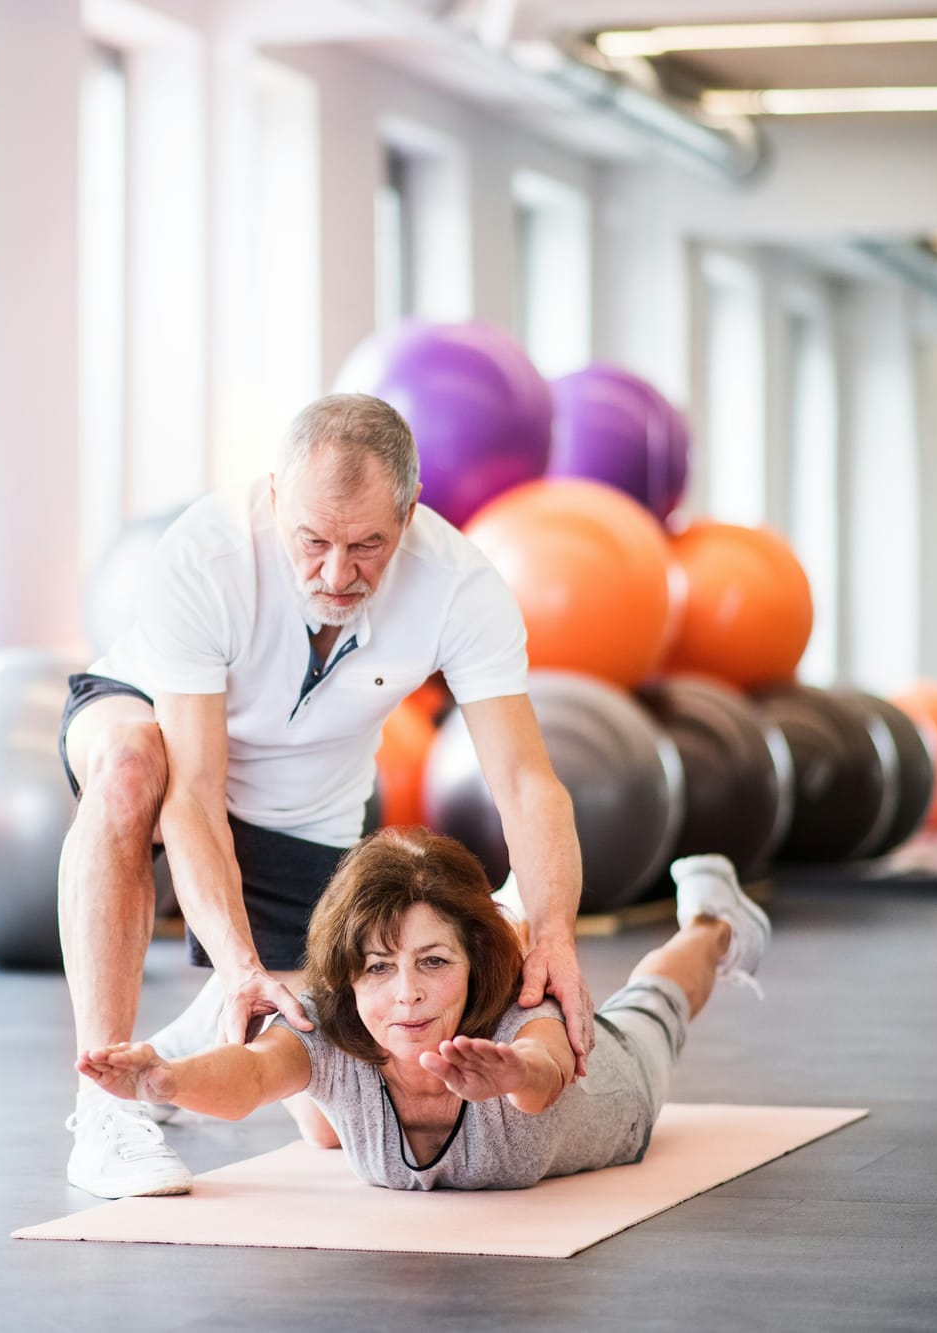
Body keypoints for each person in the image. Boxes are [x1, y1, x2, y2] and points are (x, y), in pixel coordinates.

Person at [57, 392, 591, 1199]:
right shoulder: (209, 553)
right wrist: (238, 964)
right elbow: (195, 794)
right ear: (276, 500)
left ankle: (168, 1060)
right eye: (312, 541)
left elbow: (526, 779)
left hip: (308, 803)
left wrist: (553, 932)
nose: (337, 573)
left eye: (367, 544)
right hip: (163, 729)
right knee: (134, 765)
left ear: (409, 515)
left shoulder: (460, 584)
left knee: (328, 1121)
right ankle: (102, 1105)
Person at [77, 837, 770, 1191]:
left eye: (434, 963)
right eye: (378, 966)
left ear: (473, 963)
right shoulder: (339, 1021)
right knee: (317, 1110)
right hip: (346, 1049)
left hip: (615, 1092)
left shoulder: (518, 1016)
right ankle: (501, 909)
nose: (405, 993)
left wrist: (511, 1075)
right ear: (350, 973)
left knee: (653, 1002)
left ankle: (713, 921)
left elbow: (548, 1070)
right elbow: (254, 1074)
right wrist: (163, 1080)